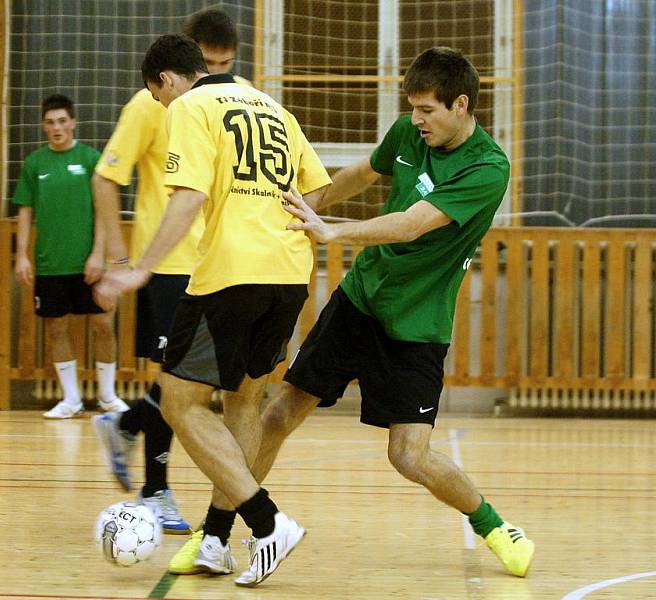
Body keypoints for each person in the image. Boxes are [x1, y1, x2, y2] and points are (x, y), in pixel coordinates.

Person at [171, 46, 538, 579]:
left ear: (461, 105)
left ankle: (493, 525)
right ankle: (217, 537)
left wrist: (335, 232)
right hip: (360, 299)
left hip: (416, 324)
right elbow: (363, 173)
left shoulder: (487, 168)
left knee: (409, 456)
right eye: (412, 108)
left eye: (427, 110)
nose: (416, 120)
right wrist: (308, 206)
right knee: (277, 414)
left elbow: (413, 222)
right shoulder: (409, 134)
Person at [94, 34, 331, 587]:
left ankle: (268, 523)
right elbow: (317, 190)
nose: (162, 107)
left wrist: (142, 267)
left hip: (230, 272)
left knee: (179, 402)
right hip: (289, 275)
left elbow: (189, 196)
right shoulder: (272, 106)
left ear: (167, 80)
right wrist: (278, 226)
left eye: (158, 98)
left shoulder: (191, 106)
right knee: (242, 403)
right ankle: (219, 542)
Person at [90, 9, 248, 535]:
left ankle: (127, 424)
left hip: (222, 264)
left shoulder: (236, 98)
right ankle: (155, 490)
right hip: (170, 266)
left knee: (194, 388)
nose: (217, 74)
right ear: (185, 61)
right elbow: (106, 177)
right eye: (208, 64)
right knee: (180, 383)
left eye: (226, 65)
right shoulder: (150, 104)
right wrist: (118, 259)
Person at [13, 94, 127, 419]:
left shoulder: (91, 158)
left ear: (73, 122)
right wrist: (22, 256)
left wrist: (98, 254)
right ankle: (71, 399)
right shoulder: (35, 163)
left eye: (62, 121)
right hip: (50, 264)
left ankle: (107, 396)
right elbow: (24, 211)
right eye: (50, 122)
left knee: (103, 324)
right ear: (43, 126)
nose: (56, 127)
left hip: (88, 264)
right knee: (56, 328)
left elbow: (103, 210)